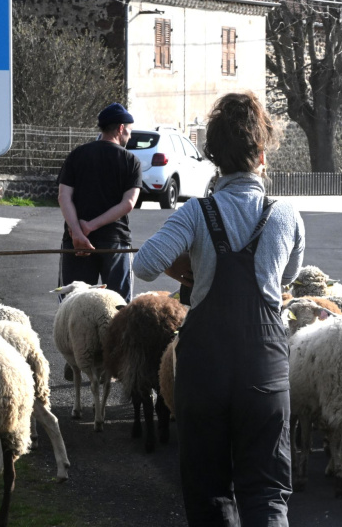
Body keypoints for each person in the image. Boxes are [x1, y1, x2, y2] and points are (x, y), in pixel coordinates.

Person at [133, 92, 305, 526]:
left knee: (209, 492)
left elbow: (145, 263)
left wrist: (189, 277)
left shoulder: (196, 212)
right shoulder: (286, 215)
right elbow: (285, 278)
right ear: (261, 154)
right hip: (262, 368)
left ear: (213, 158)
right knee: (266, 491)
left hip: (204, 370)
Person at [57, 103, 142, 303]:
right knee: (118, 308)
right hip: (114, 243)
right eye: (129, 132)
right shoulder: (131, 161)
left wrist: (78, 232)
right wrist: (90, 226)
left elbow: (64, 197)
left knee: (72, 306)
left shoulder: (78, 154)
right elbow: (128, 203)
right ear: (121, 128)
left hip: (75, 244)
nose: (129, 137)